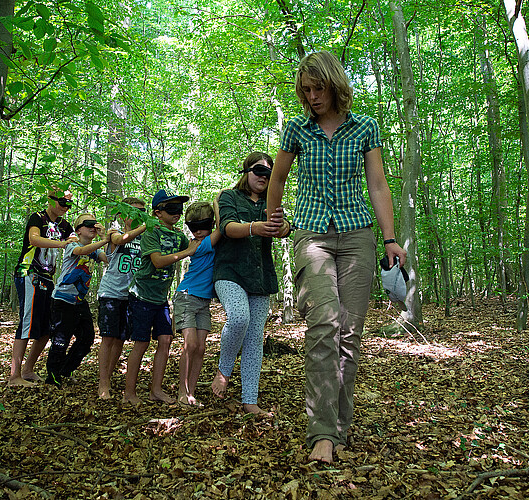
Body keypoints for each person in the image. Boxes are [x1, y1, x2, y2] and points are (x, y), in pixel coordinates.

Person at [267, 51, 407, 463]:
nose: (311, 96)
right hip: (312, 235)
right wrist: (276, 219)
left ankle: (338, 426)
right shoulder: (297, 130)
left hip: (358, 236)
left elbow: (377, 184)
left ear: (334, 84)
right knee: (323, 325)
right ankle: (322, 434)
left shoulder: (364, 127)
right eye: (305, 90)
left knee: (349, 334)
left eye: (318, 88)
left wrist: (390, 239)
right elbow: (277, 177)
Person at [210, 152, 290, 415]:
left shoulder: (270, 202)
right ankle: (223, 370)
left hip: (261, 277)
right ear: (246, 171)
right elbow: (227, 227)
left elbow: (284, 226)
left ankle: (250, 399)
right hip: (229, 272)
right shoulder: (227, 197)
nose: (263, 177)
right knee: (239, 318)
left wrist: (282, 226)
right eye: (258, 170)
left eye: (269, 173)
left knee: (255, 338)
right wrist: (254, 227)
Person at [123, 189, 197, 405]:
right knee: (141, 343)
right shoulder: (151, 232)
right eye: (171, 208)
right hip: (142, 296)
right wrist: (186, 253)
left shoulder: (178, 236)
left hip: (161, 299)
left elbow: (197, 247)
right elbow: (157, 261)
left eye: (179, 208)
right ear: (157, 212)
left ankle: (156, 390)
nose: (177, 212)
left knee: (165, 340)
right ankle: (129, 393)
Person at [9, 190, 75, 387]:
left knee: (47, 328)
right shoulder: (38, 217)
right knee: (27, 324)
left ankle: (28, 370)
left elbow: (77, 237)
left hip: (48, 278)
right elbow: (34, 239)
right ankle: (14, 376)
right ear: (51, 200)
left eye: (69, 204)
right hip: (28, 273)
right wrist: (62, 244)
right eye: (62, 202)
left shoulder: (64, 225)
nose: (65, 207)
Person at [45, 213, 114, 386]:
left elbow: (110, 260)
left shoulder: (96, 250)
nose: (92, 226)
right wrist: (104, 240)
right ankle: (52, 376)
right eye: (88, 224)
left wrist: (106, 237)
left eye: (94, 223)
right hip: (62, 300)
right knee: (61, 340)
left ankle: (65, 370)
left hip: (79, 301)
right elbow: (82, 251)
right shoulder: (72, 245)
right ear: (78, 230)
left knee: (87, 338)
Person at [97, 197, 148, 399]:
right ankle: (103, 383)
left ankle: (108, 376)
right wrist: (145, 226)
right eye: (134, 211)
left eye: (142, 211)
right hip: (111, 292)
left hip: (132, 294)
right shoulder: (114, 231)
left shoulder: (146, 237)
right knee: (108, 337)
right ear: (124, 214)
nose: (138, 214)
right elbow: (119, 240)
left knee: (120, 339)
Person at [174, 202, 222, 407]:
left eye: (203, 226)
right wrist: (218, 203)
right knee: (190, 344)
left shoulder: (210, 242)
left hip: (204, 301)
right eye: (193, 228)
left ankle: (191, 393)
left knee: (201, 348)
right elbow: (222, 228)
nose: (198, 231)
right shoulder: (201, 244)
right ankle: (182, 393)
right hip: (187, 296)